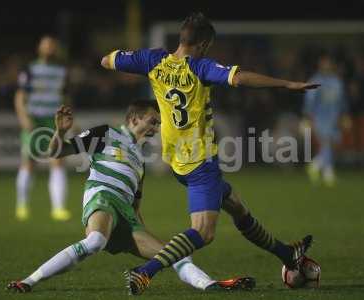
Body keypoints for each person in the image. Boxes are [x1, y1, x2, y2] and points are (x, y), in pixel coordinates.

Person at [100, 12, 319, 295]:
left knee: (236, 206)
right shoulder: (200, 67)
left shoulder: (154, 60)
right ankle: (145, 272)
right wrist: (288, 85)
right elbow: (239, 78)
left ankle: (287, 255)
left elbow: (107, 60)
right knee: (203, 232)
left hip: (177, 161)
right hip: (200, 161)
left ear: (181, 37)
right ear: (203, 44)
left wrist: (130, 60)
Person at [7, 103, 255, 293]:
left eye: (158, 124)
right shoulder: (106, 134)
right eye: (152, 121)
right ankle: (29, 281)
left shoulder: (140, 161)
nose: (156, 128)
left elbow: (135, 207)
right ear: (134, 118)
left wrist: (141, 233)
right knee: (94, 242)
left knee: (174, 254)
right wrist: (60, 132)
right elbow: (56, 152)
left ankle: (211, 286)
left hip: (125, 215)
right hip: (103, 198)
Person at [14, 35, 71, 221]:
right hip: (35, 120)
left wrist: (69, 118)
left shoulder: (62, 71)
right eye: (46, 45)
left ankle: (58, 208)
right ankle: (22, 205)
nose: (49, 49)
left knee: (57, 160)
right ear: (39, 48)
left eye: (52, 46)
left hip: (53, 121)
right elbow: (20, 96)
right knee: (29, 162)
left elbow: (65, 96)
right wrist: (23, 117)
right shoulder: (30, 69)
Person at [303, 53, 351, 187]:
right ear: (320, 65)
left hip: (334, 119)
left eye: (328, 63)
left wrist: (345, 115)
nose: (326, 66)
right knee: (326, 144)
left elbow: (342, 101)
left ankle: (315, 165)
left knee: (333, 145)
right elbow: (309, 101)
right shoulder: (315, 81)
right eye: (323, 63)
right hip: (320, 118)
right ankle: (328, 175)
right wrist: (307, 117)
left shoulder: (337, 82)